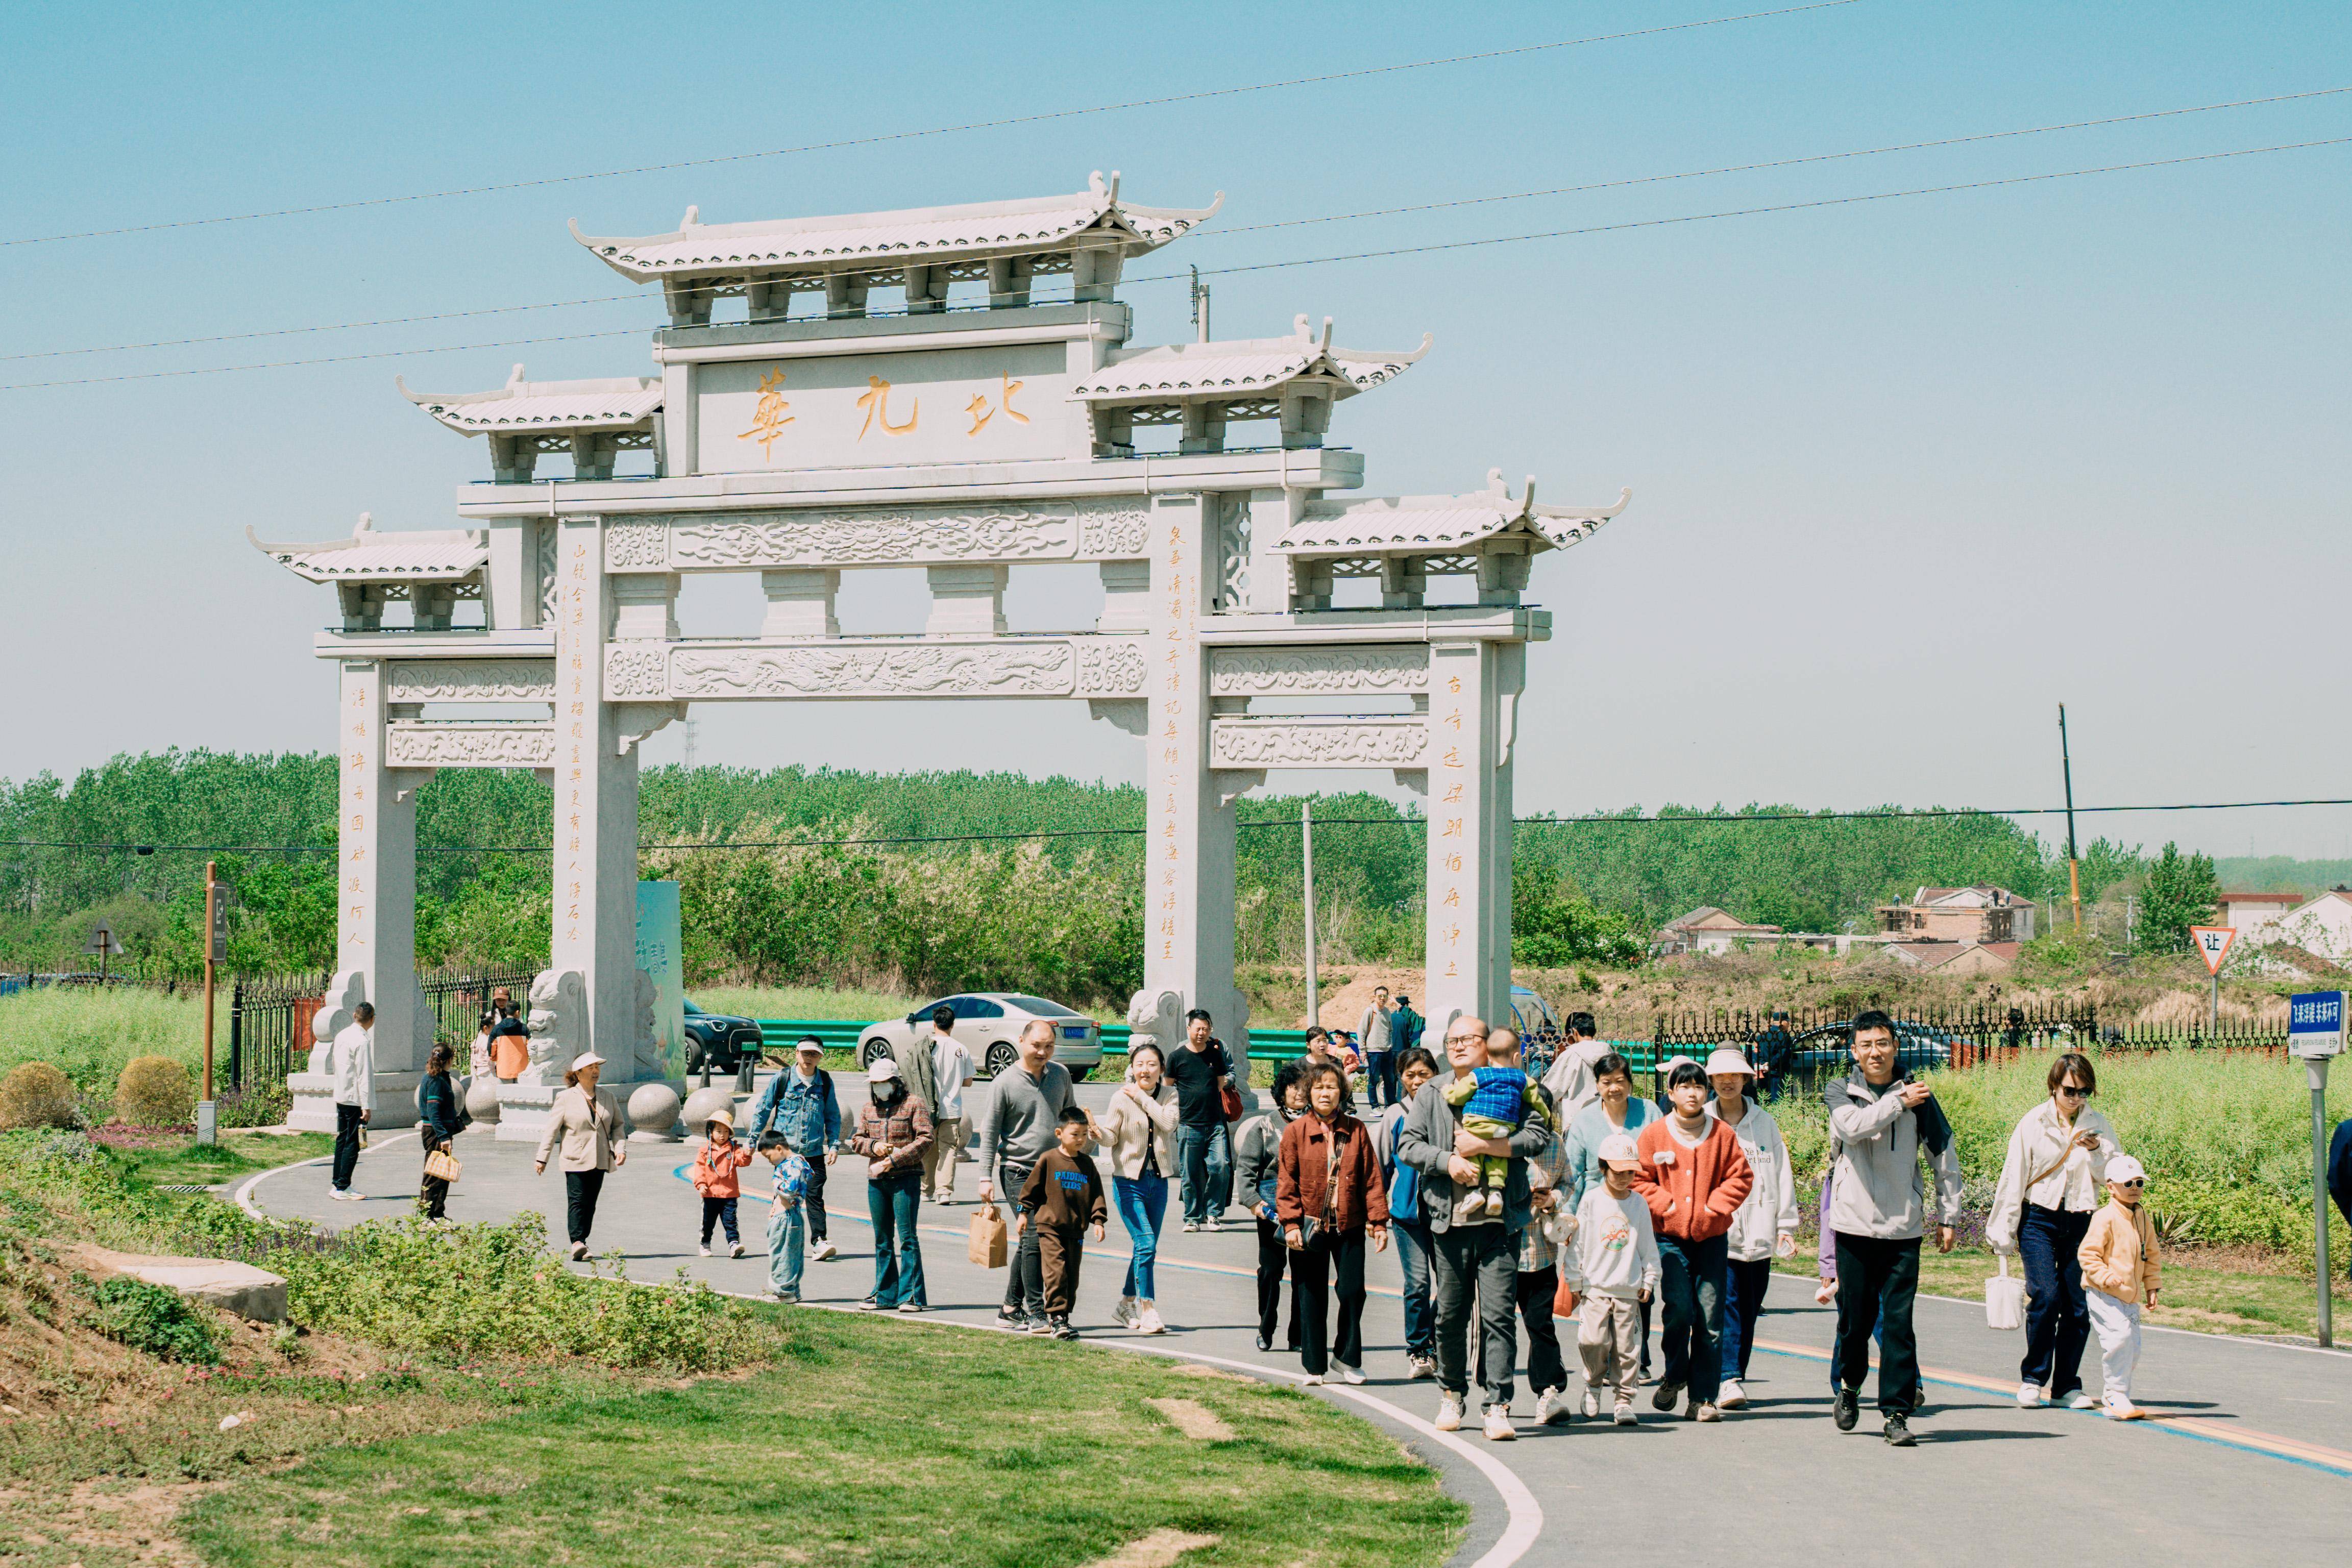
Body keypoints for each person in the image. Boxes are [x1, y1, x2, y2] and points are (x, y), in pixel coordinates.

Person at [1395, 1013, 1554, 1443]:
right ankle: (1451, 1392)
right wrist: (1449, 1162)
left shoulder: (1514, 1082)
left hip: (1501, 1223)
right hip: (1449, 1220)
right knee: (1449, 1316)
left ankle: (1498, 1405)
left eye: (1468, 1039)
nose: (1459, 1046)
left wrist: (1488, 1146)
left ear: (1487, 1044)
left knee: (1499, 1317)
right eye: (1452, 1040)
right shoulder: (1432, 1091)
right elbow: (1408, 1145)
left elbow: (1540, 1133)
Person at [1824, 1009, 1963, 1447]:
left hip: (1904, 1227)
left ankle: (1897, 1413)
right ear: (1855, 1052)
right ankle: (1849, 1388)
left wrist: (1949, 1215)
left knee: (1899, 1323)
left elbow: (1944, 1154)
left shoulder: (1923, 1097)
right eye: (1866, 1045)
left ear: (1895, 1047)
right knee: (1856, 1320)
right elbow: (1852, 1127)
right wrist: (1899, 1101)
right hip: (1853, 1226)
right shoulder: (1839, 1090)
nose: (1875, 1052)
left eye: (1882, 1043)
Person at [1986, 1051, 2122, 1411]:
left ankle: (2066, 1386)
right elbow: (2014, 1176)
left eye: (2084, 1092)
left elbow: (2114, 1176)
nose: (2077, 1099)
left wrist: (2096, 1153)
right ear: (2054, 1087)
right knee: (2046, 1296)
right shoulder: (2033, 1122)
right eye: (2070, 1091)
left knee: (2079, 1306)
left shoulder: (2098, 1124)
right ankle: (2033, 1378)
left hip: (2082, 1220)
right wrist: (2003, 1229)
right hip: (2039, 1219)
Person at [1631, 1058, 1752, 1422]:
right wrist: (1665, 1204)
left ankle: (1702, 1398)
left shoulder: (1722, 1134)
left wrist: (1715, 1207)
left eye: (1698, 1086)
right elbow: (1639, 1179)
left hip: (1712, 1239)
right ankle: (1674, 1374)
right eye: (1684, 1086)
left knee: (1710, 1320)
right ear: (1671, 1093)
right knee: (1679, 1312)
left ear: (1707, 1092)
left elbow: (1740, 1177)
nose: (1692, 1092)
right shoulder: (1654, 1134)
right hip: (1668, 1239)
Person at [1478, 1027, 1572, 1426]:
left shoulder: (1554, 1144)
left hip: (1542, 1252)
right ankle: (1491, 1391)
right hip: (1501, 1249)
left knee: (1540, 1323)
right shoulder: (1500, 1140)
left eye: (1546, 1114)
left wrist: (1553, 1199)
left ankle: (1548, 1392)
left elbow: (1568, 1182)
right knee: (1496, 1324)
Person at [1279, 1060, 1391, 1386]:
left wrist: (1379, 1222)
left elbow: (1372, 1179)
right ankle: (1314, 1366)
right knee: (1311, 1294)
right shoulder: (1295, 1132)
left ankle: (1347, 1358)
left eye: (1331, 1086)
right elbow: (1286, 1181)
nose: (1325, 1093)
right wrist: (1290, 1224)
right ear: (1308, 1093)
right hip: (1309, 1226)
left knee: (1354, 1291)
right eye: (1318, 1087)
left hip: (1350, 1225)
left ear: (1342, 1091)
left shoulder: (1357, 1129)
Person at [1705, 1047, 1799, 1410]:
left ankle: (1732, 1375)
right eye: (1720, 1076)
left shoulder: (1764, 1123)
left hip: (1759, 1232)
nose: (1728, 1082)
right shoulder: (1703, 1121)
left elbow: (1781, 1175)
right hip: (1717, 1233)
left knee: (1747, 1308)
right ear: (1711, 1080)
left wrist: (1786, 1226)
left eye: (1735, 1075)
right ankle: (1728, 1378)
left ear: (1746, 1079)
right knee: (1724, 1306)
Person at [1560, 1051, 1661, 1378]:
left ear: (1630, 1083)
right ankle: (1600, 1360)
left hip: (1639, 1205)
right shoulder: (1586, 1120)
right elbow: (1574, 1173)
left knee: (1640, 1284)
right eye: (1607, 1082)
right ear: (1598, 1086)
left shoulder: (1649, 1112)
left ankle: (1637, 1358)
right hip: (1596, 1210)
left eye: (1620, 1081)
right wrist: (1569, 1220)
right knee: (1598, 1287)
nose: (1614, 1088)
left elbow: (1659, 1161)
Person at [978, 1019, 1081, 1332]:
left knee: (1030, 1241)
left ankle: (1010, 1308)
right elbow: (990, 1131)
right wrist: (985, 1176)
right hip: (1018, 1171)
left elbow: (1070, 1117)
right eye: (1037, 1045)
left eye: (1049, 1046)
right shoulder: (1004, 1082)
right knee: (1038, 1234)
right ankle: (1039, 1312)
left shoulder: (1061, 1075)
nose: (1043, 1051)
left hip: (1055, 1171)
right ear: (1022, 1042)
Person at [1557, 1131, 1661, 1426]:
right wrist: (1575, 1283)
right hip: (1595, 1287)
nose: (1624, 1177)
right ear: (1603, 1168)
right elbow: (1578, 1245)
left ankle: (1624, 1400)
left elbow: (1648, 1247)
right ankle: (1592, 1384)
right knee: (1593, 1341)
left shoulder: (1639, 1203)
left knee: (1628, 1349)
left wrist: (1649, 1279)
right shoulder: (1591, 1201)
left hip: (1628, 1288)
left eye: (1630, 1172)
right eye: (1618, 1171)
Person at [1097, 1042, 1179, 1334]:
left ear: (1161, 1069)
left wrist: (1143, 1099)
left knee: (1145, 1247)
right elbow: (1110, 1138)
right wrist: (1098, 1133)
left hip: (1159, 1182)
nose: (1145, 1069)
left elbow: (1168, 1123)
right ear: (1132, 1068)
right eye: (1140, 1064)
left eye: (1152, 1064)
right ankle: (1148, 1308)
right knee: (1146, 1244)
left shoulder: (1170, 1095)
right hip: (1128, 1181)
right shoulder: (1120, 1098)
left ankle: (1124, 1304)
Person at [2077, 1155, 2161, 1420]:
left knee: (2133, 1347)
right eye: (2128, 1183)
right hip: (2103, 1292)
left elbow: (2152, 1254)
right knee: (2119, 1339)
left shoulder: (2142, 1216)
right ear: (2111, 1187)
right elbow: (2088, 1254)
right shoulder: (2105, 1217)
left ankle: (2115, 1395)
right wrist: (2104, 1276)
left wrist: (2152, 1286)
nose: (2135, 1187)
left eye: (2139, 1182)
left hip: (2129, 1295)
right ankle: (2115, 1395)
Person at [1236, 1060, 1309, 1354]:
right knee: (1270, 1271)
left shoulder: (1319, 1124)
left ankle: (1299, 1334)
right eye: (1293, 1087)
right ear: (1282, 1092)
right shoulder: (1265, 1126)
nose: (1299, 1093)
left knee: (1304, 1274)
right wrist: (1256, 1205)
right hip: (1271, 1211)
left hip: (1307, 1213)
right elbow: (1246, 1170)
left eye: (1305, 1087)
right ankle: (1266, 1326)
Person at [748, 1037, 843, 1262]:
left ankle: (819, 1241)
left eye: (814, 1054)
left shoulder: (825, 1082)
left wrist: (834, 1145)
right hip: (786, 1155)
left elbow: (833, 1115)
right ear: (796, 1054)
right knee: (785, 1197)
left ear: (821, 1057)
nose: (809, 1058)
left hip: (814, 1152)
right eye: (805, 1053)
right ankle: (780, 1238)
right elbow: (763, 1109)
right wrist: (752, 1139)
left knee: (815, 1196)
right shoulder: (782, 1078)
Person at [1379, 1046, 1442, 1379]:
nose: (1417, 1081)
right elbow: (1382, 1167)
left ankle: (1434, 1341)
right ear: (1400, 1078)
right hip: (1407, 1217)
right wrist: (1376, 1214)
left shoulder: (1449, 1109)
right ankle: (1418, 1350)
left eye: (1424, 1074)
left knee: (1451, 1287)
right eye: (1410, 1075)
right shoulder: (1394, 1115)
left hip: (1445, 1214)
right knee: (1417, 1284)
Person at [1019, 1105, 1108, 1340]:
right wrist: (1022, 1213)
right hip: (1050, 1226)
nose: (1080, 1139)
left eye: (1084, 1134)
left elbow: (1097, 1194)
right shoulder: (1048, 1160)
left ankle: (1064, 1318)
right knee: (1056, 1272)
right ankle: (1056, 1317)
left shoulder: (1087, 1164)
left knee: (1072, 1276)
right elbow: (1031, 1190)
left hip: (1075, 1229)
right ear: (1059, 1134)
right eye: (1075, 1134)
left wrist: (1098, 1221)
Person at [1440, 1035, 1550, 1222]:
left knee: (1472, 1152)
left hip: (1477, 1123)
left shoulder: (1479, 1075)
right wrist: (1546, 1116)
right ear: (1517, 1057)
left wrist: (1446, 1091)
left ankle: (1474, 1191)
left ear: (1489, 1057)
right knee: (1499, 1157)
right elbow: (1537, 1102)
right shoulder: (1523, 1079)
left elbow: (1458, 1097)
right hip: (1505, 1127)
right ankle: (1496, 1193)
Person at [850, 1058, 931, 1312]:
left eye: (883, 1083)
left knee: (908, 1238)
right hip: (877, 1181)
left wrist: (893, 1160)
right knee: (882, 1238)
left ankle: (911, 1296)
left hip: (905, 1179)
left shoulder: (914, 1105)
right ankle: (885, 1294)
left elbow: (926, 1139)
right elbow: (857, 1140)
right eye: (874, 1084)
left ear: (896, 1082)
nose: (878, 1088)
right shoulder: (868, 1109)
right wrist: (873, 1147)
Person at [533, 1049, 626, 1261]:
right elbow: (552, 1130)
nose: (596, 1071)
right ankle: (577, 1242)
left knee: (590, 1203)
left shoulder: (608, 1097)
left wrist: (620, 1149)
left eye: (597, 1068)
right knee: (577, 1200)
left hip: (600, 1157)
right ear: (579, 1072)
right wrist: (542, 1157)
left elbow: (618, 1126)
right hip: (575, 1158)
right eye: (591, 1068)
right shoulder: (565, 1098)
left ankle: (582, 1239)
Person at [1164, 1009, 1237, 1232]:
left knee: (1220, 1167)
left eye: (1206, 1029)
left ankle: (1213, 1214)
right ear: (1189, 1029)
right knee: (1190, 1173)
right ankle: (1193, 1218)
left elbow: (1220, 1084)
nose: (1202, 1032)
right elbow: (1167, 1088)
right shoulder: (1177, 1056)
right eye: (1198, 1028)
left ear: (1210, 1030)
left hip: (1214, 1123)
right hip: (1188, 1124)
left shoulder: (1216, 1055)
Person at [328, 1002, 376, 1200]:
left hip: (342, 1094)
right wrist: (367, 1106)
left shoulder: (342, 1035)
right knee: (352, 1143)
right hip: (355, 1098)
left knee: (343, 1139)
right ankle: (343, 1186)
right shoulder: (361, 1041)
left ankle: (338, 1183)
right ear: (372, 1019)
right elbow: (363, 1075)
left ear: (355, 1015)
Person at [926, 1010, 976, 1204]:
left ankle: (926, 1190)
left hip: (929, 1109)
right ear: (953, 1025)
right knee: (948, 1149)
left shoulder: (927, 1047)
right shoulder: (961, 1049)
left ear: (934, 1024)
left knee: (929, 1148)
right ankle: (944, 1192)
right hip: (953, 1109)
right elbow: (969, 1082)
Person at [758, 1132, 814, 1303]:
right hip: (790, 1215)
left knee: (782, 1254)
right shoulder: (800, 1161)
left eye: (769, 1156)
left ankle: (783, 1292)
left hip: (786, 1216)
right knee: (791, 1254)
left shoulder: (792, 1165)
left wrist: (776, 1184)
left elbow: (789, 1191)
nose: (770, 1161)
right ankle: (792, 1290)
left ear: (779, 1149)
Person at [692, 1109, 754, 1258]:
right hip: (710, 1193)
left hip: (729, 1193)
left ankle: (734, 1244)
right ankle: (705, 1243)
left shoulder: (733, 1149)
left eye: (726, 1131)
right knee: (708, 1222)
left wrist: (747, 1154)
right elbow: (699, 1169)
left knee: (730, 1220)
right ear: (711, 1132)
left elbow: (742, 1161)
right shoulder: (705, 1150)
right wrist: (701, 1184)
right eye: (719, 1131)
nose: (722, 1135)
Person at [417, 1042, 463, 1220]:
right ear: (450, 1059)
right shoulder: (435, 1080)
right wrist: (444, 1136)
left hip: (440, 1131)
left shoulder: (439, 1077)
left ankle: (437, 1214)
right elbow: (433, 1111)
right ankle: (425, 1218)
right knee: (433, 1175)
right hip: (436, 1132)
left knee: (443, 1174)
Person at [1539, 1012, 1610, 1115]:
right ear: (1594, 1031)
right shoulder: (1608, 1052)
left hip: (1576, 1117)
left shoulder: (1570, 1055)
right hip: (1602, 1113)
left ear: (1575, 1032)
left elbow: (1552, 1088)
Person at [1359, 986, 1396, 1109]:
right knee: (1374, 1079)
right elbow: (1362, 1031)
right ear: (1374, 997)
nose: (1382, 999)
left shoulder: (1387, 1012)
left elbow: (1390, 1030)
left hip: (1387, 1051)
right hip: (1373, 1051)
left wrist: (1390, 1044)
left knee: (1390, 1079)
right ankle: (1375, 1106)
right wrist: (1362, 1051)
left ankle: (1391, 1105)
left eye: (1385, 996)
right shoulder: (1370, 1011)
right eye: (1380, 996)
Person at [1752, 1011, 1796, 1103]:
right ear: (1782, 1022)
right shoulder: (1784, 1036)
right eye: (1787, 1021)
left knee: (1764, 1100)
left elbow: (1757, 1053)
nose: (1789, 1024)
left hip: (1763, 1073)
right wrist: (1771, 1064)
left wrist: (1764, 1064)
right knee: (1777, 1100)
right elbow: (1782, 1055)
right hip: (1777, 1073)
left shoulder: (1762, 1036)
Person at [489, 1000, 530, 1083]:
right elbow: (530, 1047)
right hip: (522, 1069)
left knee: (505, 1095)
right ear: (517, 1012)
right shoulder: (525, 1029)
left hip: (504, 1069)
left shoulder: (497, 1029)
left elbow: (491, 1049)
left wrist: (496, 1059)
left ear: (506, 1012)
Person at [469, 1009, 497, 1082]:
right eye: (493, 1028)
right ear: (486, 1028)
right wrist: (494, 1067)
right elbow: (489, 1057)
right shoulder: (486, 1040)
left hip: (477, 1070)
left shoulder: (478, 1039)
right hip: (487, 1072)